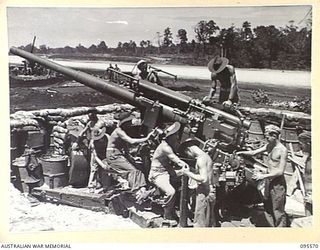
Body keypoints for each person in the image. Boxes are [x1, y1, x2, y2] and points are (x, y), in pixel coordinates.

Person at [236, 124, 288, 227]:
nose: (266, 138)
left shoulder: (282, 150)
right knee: (267, 206)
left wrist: (262, 176)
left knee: (277, 210)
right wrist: (241, 152)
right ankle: (271, 228)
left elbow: (280, 171)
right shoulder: (269, 146)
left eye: (267, 136)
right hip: (268, 180)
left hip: (277, 183)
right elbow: (254, 152)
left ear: (274, 135)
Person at [149, 122, 189, 221]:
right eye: (175, 135)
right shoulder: (165, 147)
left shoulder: (169, 144)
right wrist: (182, 164)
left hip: (167, 170)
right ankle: (167, 214)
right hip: (158, 173)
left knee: (189, 175)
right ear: (170, 136)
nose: (177, 137)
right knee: (171, 192)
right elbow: (173, 157)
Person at [105, 111, 153, 193]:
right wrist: (147, 138)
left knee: (139, 169)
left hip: (118, 155)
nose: (130, 124)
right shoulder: (119, 131)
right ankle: (137, 191)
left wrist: (131, 160)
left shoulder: (124, 131)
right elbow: (131, 141)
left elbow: (126, 149)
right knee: (133, 171)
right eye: (129, 122)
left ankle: (142, 189)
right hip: (113, 155)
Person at [178, 138, 216, 227]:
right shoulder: (206, 156)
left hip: (204, 192)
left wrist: (188, 173)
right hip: (210, 191)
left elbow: (204, 179)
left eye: (186, 154)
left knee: (200, 222)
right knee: (209, 221)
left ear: (188, 150)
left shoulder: (200, 159)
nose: (188, 156)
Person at [72, 111, 106, 191]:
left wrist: (93, 140)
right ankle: (92, 185)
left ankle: (99, 182)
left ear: (95, 115)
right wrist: (77, 141)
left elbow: (101, 133)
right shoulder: (90, 123)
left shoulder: (100, 123)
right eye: (89, 117)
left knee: (99, 165)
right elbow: (83, 131)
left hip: (101, 145)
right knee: (94, 165)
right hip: (94, 145)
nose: (90, 118)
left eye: (92, 116)